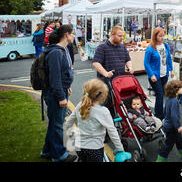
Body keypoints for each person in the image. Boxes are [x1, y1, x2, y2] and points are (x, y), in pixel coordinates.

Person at [64, 79, 125, 162]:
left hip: (79, 147)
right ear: (102, 95)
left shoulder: (80, 105)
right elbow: (112, 131)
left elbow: (68, 124)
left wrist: (71, 142)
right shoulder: (103, 111)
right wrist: (120, 148)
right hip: (95, 149)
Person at [41, 24, 77, 162]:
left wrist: (67, 86)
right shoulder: (56, 52)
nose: (74, 36)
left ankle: (47, 150)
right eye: (72, 33)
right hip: (55, 94)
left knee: (54, 123)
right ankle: (59, 155)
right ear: (66, 35)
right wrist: (61, 96)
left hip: (60, 90)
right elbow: (54, 77)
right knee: (57, 124)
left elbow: (63, 73)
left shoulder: (63, 49)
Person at [156, 80, 182, 162]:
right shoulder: (174, 101)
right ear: (176, 90)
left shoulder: (169, 98)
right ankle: (160, 159)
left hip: (168, 124)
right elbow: (174, 116)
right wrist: (178, 126)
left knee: (179, 139)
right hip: (172, 127)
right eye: (181, 88)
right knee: (169, 145)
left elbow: (165, 110)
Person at [144, 27, 174, 120]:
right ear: (155, 36)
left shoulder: (166, 46)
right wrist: (151, 74)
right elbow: (146, 63)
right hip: (155, 76)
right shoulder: (150, 48)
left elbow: (168, 58)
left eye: (163, 36)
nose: (162, 38)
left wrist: (171, 70)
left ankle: (161, 113)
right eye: (160, 36)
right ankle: (159, 115)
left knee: (162, 95)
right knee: (160, 94)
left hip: (164, 74)